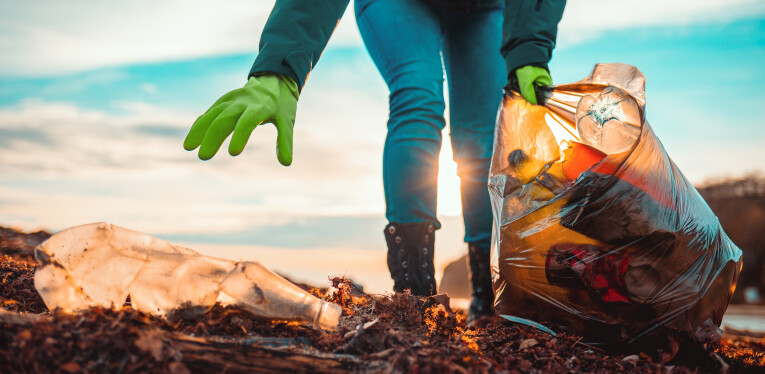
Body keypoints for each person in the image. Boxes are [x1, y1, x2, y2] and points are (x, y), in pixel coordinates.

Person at [183, 0, 566, 324]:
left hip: (482, 8)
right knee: (418, 97)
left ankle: (488, 293)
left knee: (483, 137)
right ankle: (414, 296)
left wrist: (529, 50)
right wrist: (280, 67)